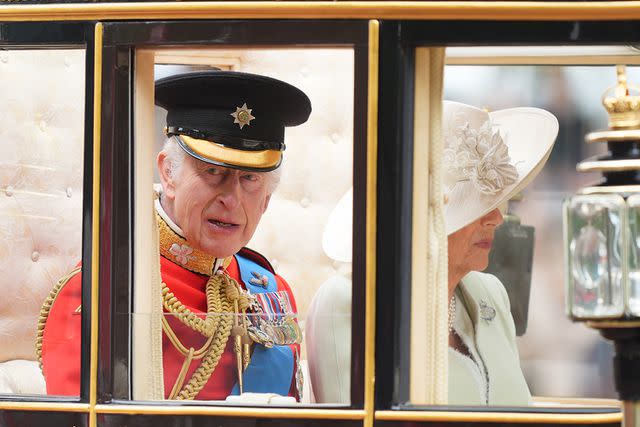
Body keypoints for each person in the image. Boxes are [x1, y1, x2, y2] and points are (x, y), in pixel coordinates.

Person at [36, 71, 311, 401]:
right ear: (168, 174)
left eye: (250, 178)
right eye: (213, 172)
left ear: (266, 199)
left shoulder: (272, 293)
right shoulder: (98, 293)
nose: (232, 199)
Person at [443, 100, 558, 405]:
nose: (496, 219)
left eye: (497, 202)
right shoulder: (355, 306)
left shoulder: (491, 293)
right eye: (474, 207)